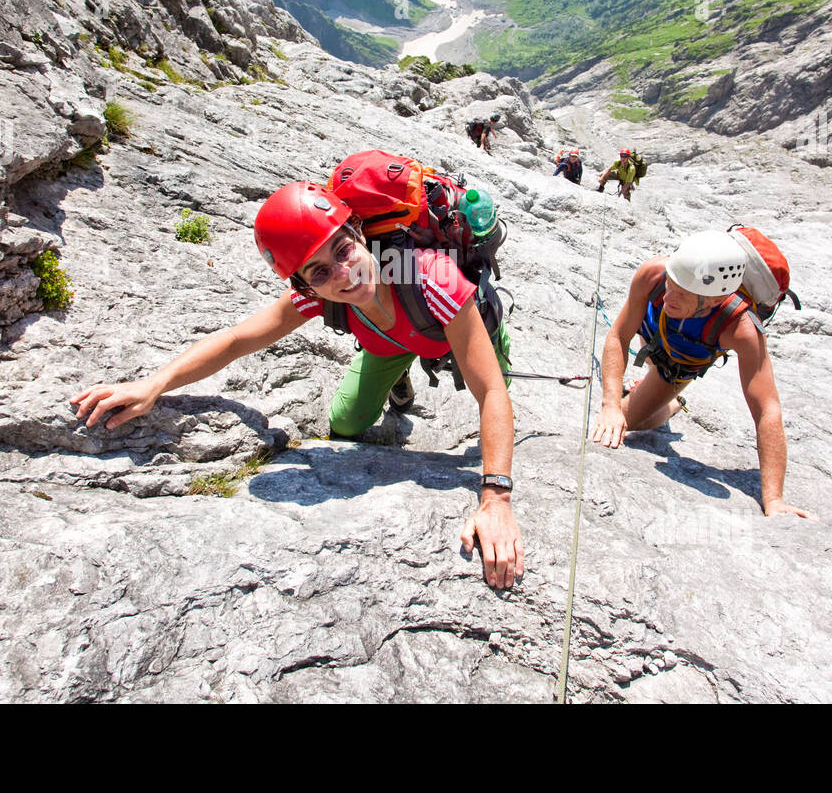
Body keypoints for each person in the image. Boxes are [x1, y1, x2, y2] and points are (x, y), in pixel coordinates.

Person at [71, 181, 525, 588]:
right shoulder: (317, 299)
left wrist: (496, 498)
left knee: (492, 385)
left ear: (360, 235)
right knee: (345, 424)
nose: (343, 275)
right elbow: (235, 340)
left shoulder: (428, 276)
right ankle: (398, 374)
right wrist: (155, 384)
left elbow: (489, 393)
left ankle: (454, 352)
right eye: (320, 272)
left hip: (449, 327)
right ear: (306, 288)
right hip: (389, 342)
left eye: (343, 250)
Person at [590, 230, 813, 519]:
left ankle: (670, 404)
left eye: (682, 294)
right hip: (650, 330)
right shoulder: (654, 275)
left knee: (626, 423)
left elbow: (767, 410)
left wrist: (774, 499)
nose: (668, 295)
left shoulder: (741, 329)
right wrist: (609, 404)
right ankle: (650, 383)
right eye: (671, 283)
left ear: (715, 299)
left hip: (678, 365)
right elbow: (619, 336)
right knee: (612, 415)